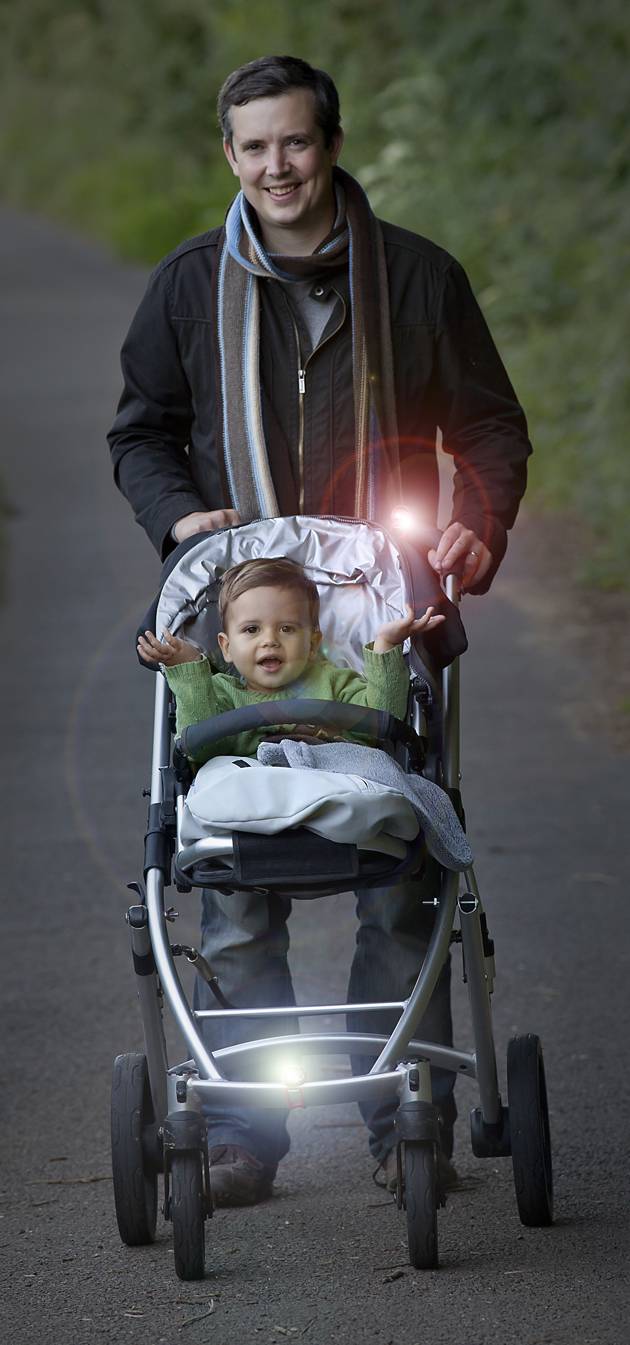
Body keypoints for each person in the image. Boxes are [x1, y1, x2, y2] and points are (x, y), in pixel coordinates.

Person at [109, 54, 532, 1203]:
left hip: (375, 617)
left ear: (332, 144)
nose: (275, 166)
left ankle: (404, 1112)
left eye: (294, 142)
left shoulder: (419, 282)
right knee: (234, 880)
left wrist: (476, 529)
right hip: (243, 629)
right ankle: (246, 1125)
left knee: (399, 869)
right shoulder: (191, 284)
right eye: (253, 148)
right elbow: (140, 432)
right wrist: (176, 517)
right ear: (231, 158)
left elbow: (491, 427)